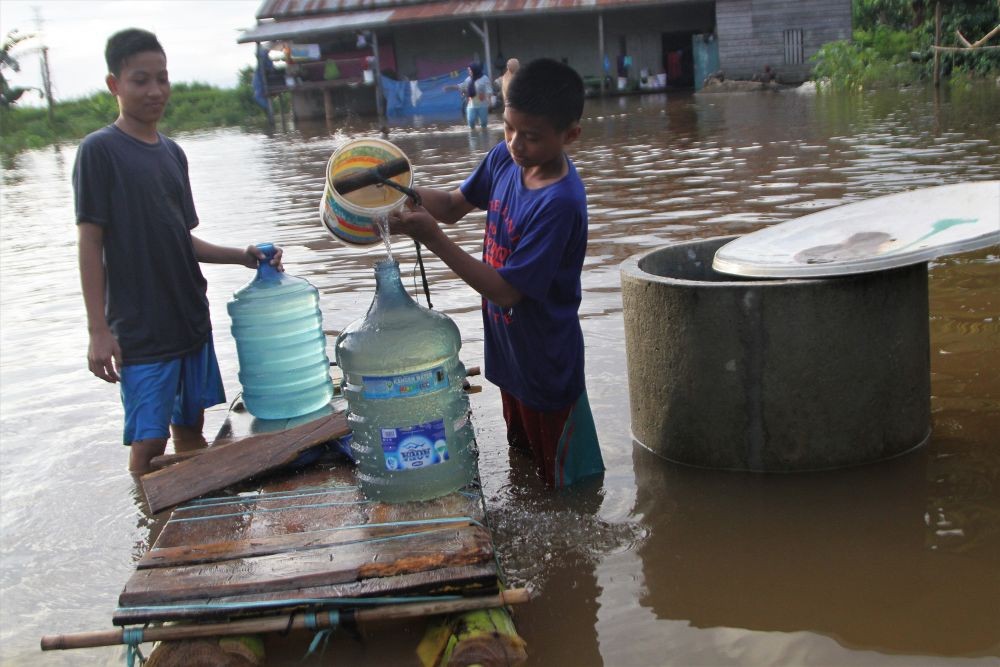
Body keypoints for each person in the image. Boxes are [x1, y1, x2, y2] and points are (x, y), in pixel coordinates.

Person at [73, 28, 283, 474]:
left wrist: (243, 255)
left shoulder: (173, 153)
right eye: (140, 80)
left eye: (162, 79)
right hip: (141, 329)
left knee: (190, 430)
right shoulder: (100, 151)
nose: (155, 91)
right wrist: (98, 330)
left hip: (188, 317)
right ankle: (147, 528)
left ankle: (187, 521)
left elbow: (181, 241)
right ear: (115, 85)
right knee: (149, 443)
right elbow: (90, 243)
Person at [388, 58, 604, 488]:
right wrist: (400, 196)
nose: (516, 144)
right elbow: (450, 207)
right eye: (508, 128)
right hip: (510, 353)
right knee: (523, 466)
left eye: (532, 137)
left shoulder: (560, 202)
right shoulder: (505, 161)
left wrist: (432, 240)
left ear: (570, 135)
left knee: (567, 488)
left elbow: (507, 292)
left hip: (546, 363)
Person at [461, 61, 492, 129]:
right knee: (471, 122)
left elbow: (488, 90)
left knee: (483, 124)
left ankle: (484, 137)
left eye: (470, 70)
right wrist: (463, 92)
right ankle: (473, 138)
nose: (469, 72)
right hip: (471, 105)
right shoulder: (468, 80)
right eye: (468, 70)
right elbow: (463, 88)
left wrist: (489, 101)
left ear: (474, 70)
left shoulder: (484, 78)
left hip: (482, 104)